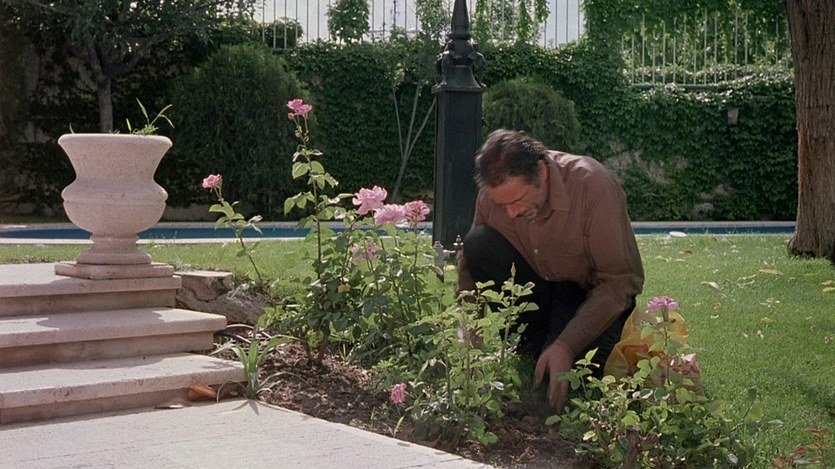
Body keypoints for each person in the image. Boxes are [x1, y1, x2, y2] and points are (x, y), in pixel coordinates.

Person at [456, 129, 644, 410]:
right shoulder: (492, 197)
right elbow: (470, 264)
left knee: (574, 381)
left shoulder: (592, 184)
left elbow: (619, 284)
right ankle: (535, 345)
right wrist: (470, 336)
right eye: (501, 204)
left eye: (517, 200)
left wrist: (566, 345)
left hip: (586, 298)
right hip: (536, 294)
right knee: (477, 242)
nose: (511, 213)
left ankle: (550, 347)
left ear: (541, 172)